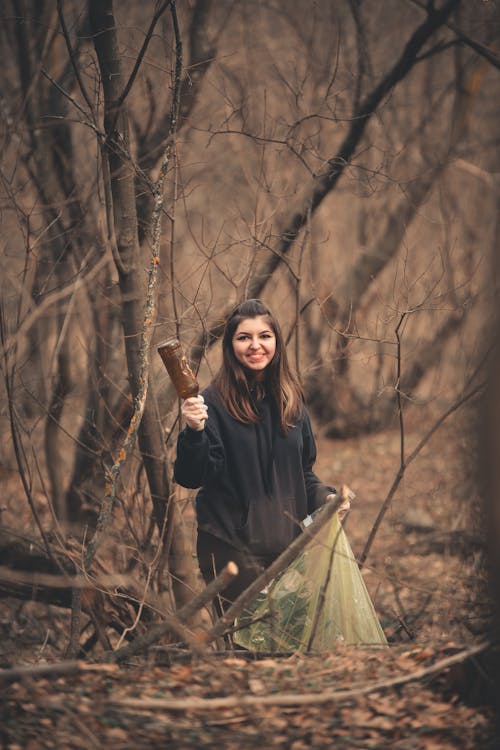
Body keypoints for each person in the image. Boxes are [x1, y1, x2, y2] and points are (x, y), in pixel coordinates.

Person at [174, 299, 350, 612]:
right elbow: (191, 477)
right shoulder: (210, 404)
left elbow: (301, 474)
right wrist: (194, 431)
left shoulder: (291, 401)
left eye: (264, 336)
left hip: (286, 549)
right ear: (230, 346)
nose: (256, 346)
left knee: (287, 649)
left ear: (276, 343)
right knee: (248, 651)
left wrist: (327, 498)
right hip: (230, 547)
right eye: (244, 338)